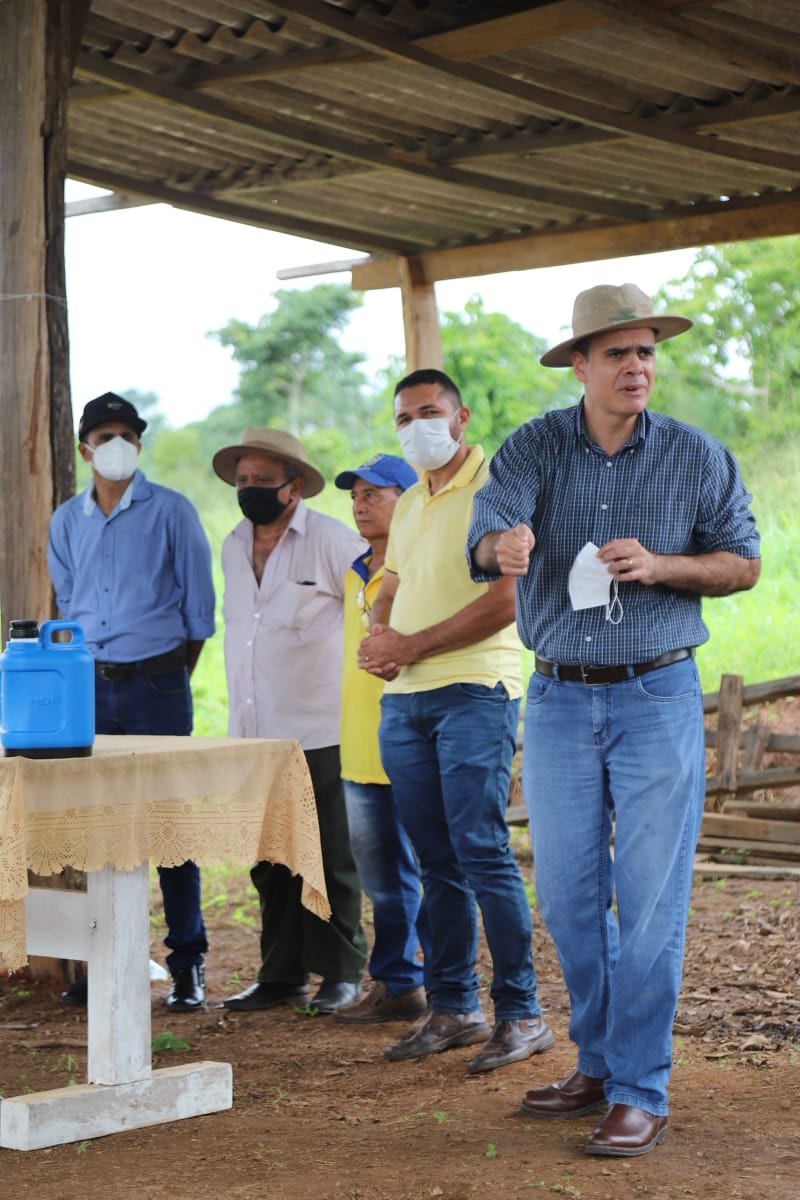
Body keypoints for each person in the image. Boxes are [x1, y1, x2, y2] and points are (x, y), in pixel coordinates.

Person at [468, 283, 760, 1156]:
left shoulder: (696, 455)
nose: (637, 367)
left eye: (646, 352)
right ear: (581, 365)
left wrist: (665, 565)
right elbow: (484, 536)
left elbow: (743, 563)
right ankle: (596, 1062)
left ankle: (639, 1087)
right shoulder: (533, 447)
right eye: (618, 353)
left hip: (656, 695)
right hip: (558, 698)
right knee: (566, 897)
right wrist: (499, 547)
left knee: (650, 901)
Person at [358, 368, 554, 1075]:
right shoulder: (411, 500)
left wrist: (409, 645)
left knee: (481, 851)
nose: (418, 427)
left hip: (475, 691)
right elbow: (392, 584)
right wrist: (379, 634)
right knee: (434, 860)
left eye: (429, 412)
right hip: (405, 699)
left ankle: (522, 1014)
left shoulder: (497, 487)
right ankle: (453, 1008)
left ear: (461, 416)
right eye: (404, 418)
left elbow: (508, 600)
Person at [47, 392, 216, 1012]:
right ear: (84, 449)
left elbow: (199, 610)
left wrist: (165, 673)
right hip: (89, 686)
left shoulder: (172, 510)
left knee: (169, 826)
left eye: (127, 435)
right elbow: (68, 603)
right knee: (95, 827)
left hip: (158, 683)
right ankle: (103, 963)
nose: (117, 446)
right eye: (105, 436)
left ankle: (187, 966)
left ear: (139, 445)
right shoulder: (67, 521)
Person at [214, 427, 368, 1016]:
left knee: (328, 855)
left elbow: (373, 604)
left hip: (320, 727)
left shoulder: (331, 540)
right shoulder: (232, 545)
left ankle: (341, 971)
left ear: (294, 486)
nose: (250, 489)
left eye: (263, 480)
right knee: (270, 859)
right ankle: (279, 975)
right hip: (254, 731)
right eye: (243, 480)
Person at [332, 453, 430, 1025]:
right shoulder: (355, 570)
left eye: (374, 494)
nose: (360, 505)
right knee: (383, 882)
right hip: (358, 745)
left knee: (432, 871)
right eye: (355, 496)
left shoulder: (419, 563)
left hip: (411, 738)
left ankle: (448, 989)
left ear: (409, 500)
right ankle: (398, 983)